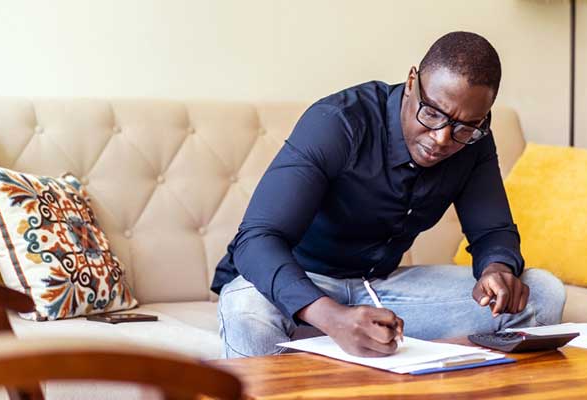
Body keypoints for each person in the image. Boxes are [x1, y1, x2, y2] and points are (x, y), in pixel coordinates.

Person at [211, 31, 566, 359]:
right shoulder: (339, 122)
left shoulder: (474, 141)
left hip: (383, 288)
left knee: (542, 291)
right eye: (432, 113)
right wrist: (333, 317)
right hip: (301, 280)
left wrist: (497, 269)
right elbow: (256, 240)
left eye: (464, 126)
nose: (442, 138)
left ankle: (438, 380)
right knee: (247, 311)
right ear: (412, 82)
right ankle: (320, 335)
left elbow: (492, 231)